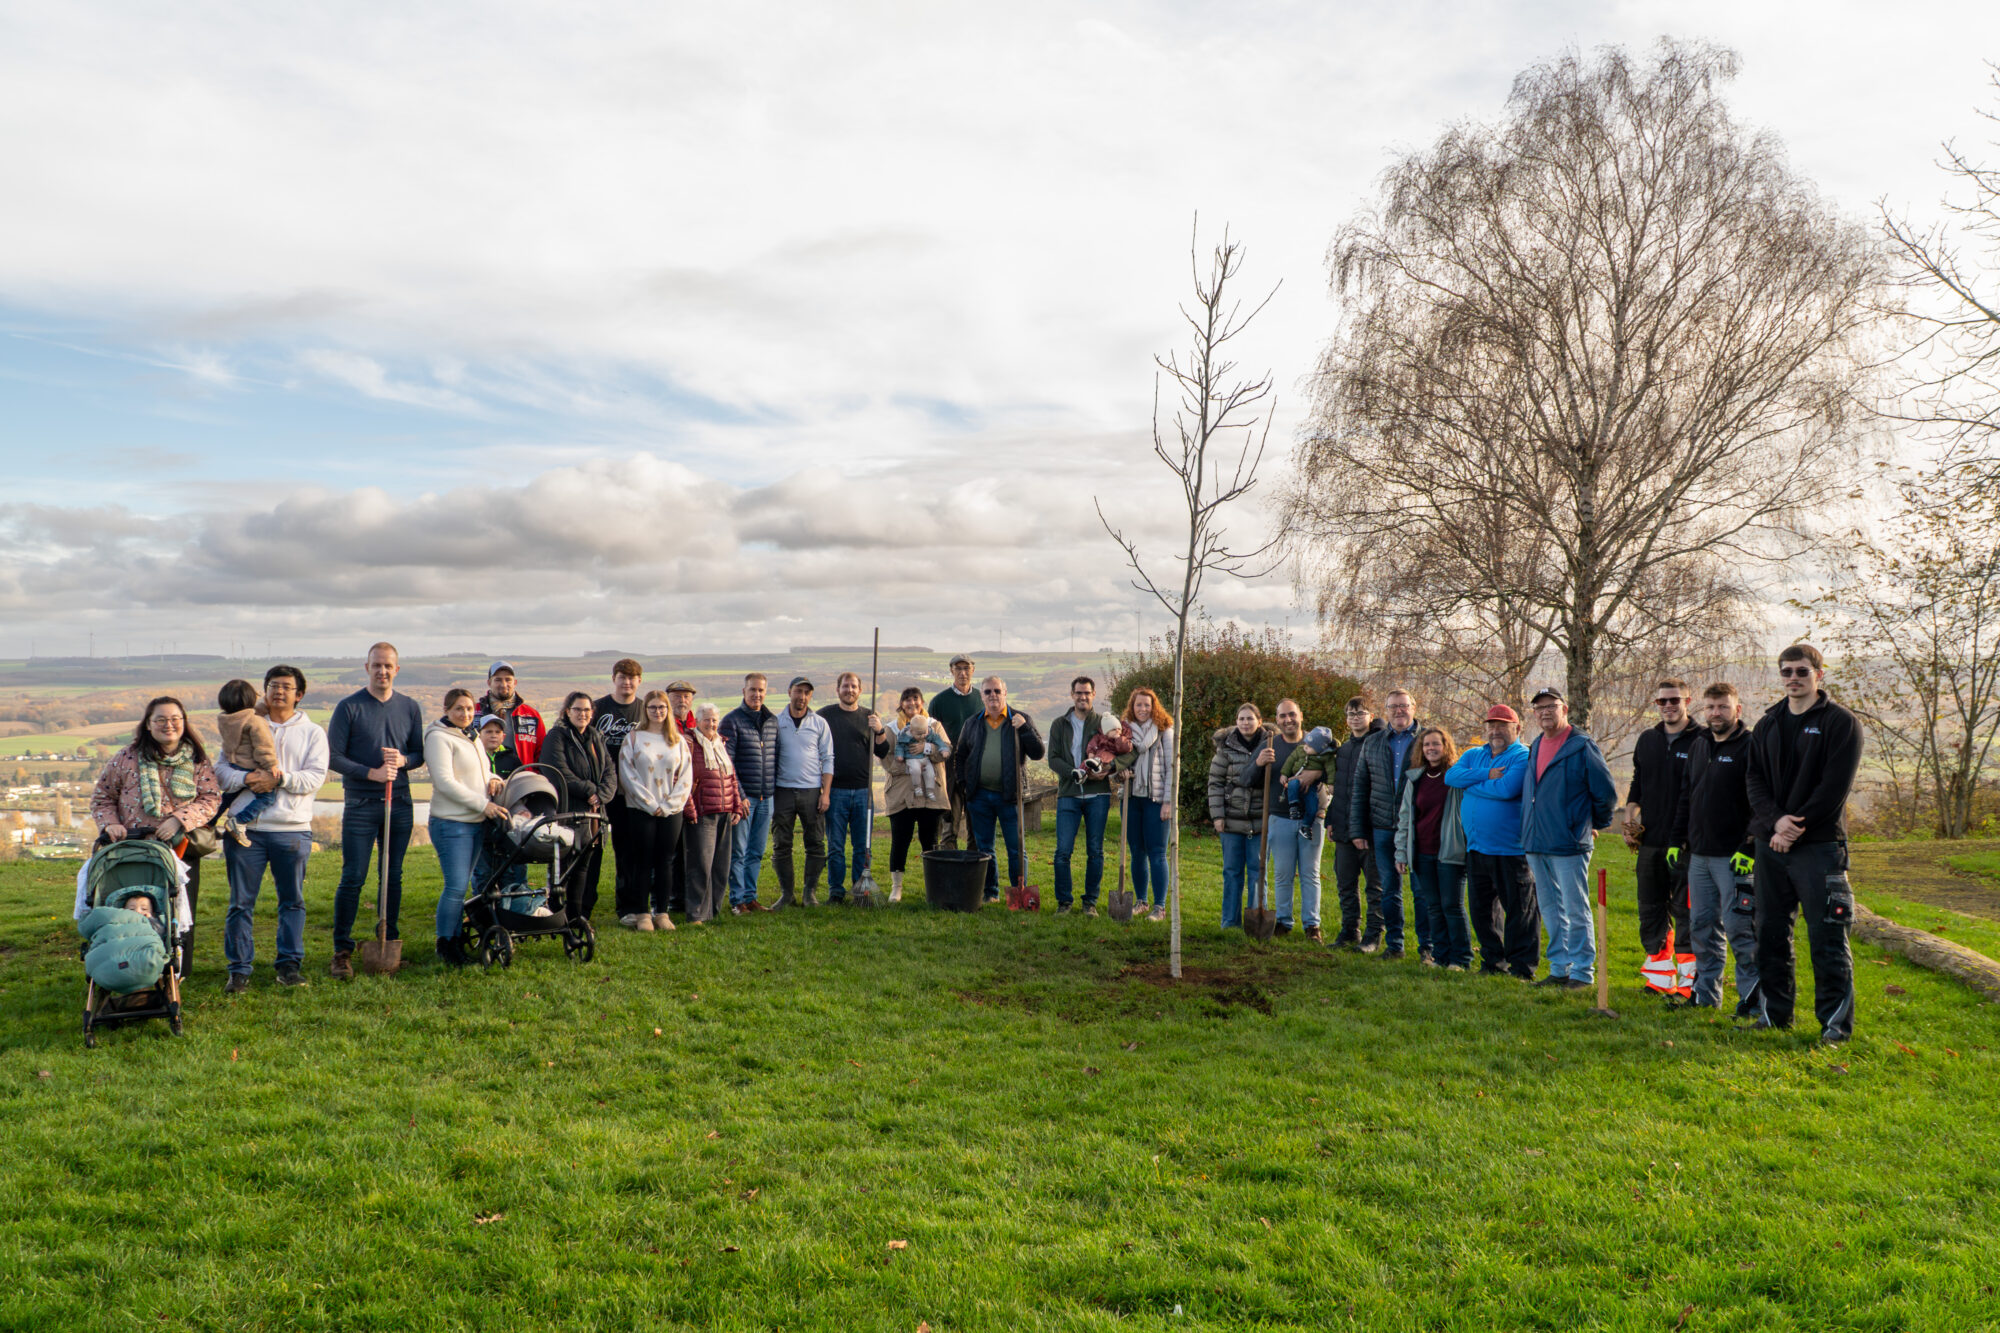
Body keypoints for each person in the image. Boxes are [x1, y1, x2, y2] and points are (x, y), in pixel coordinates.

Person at [1745, 644, 1864, 1044]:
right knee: (1770, 935)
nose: (1793, 679)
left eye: (1801, 671)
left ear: (1819, 674)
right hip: (1771, 846)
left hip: (1818, 847)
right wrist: (1775, 822)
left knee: (1828, 938)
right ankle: (1774, 1016)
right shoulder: (1768, 724)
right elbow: (1754, 782)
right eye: (1786, 672)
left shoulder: (1840, 723)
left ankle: (1834, 1026)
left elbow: (1834, 788)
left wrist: (1794, 827)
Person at [214, 665, 328, 990]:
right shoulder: (244, 723)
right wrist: (248, 778)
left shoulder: (313, 733)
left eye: (286, 687)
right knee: (240, 902)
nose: (278, 691)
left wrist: (279, 778)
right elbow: (220, 770)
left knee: (292, 900)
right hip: (244, 830)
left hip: (291, 829)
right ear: (263, 690)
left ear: (299, 695)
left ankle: (289, 967)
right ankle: (239, 970)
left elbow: (316, 777)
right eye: (273, 686)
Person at [91, 696, 223, 973]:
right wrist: (110, 824)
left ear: (184, 723)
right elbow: (102, 797)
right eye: (160, 719)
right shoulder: (126, 758)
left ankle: (176, 972)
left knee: (179, 912)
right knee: (134, 908)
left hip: (178, 850)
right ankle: (128, 965)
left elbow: (211, 798)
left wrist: (179, 820)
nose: (169, 725)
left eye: (175, 719)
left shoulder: (197, 760)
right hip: (132, 851)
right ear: (148, 725)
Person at [324, 643, 426, 980]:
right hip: (361, 804)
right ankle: (342, 951)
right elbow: (334, 756)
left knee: (392, 875)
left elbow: (418, 753)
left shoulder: (409, 707)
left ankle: (388, 940)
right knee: (353, 876)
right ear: (366, 667)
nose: (382, 671)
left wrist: (403, 761)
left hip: (399, 803)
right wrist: (372, 773)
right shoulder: (349, 707)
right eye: (377, 665)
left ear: (397, 670)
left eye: (388, 666)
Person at [1670, 682, 1761, 1015]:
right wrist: (1676, 838)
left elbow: (1760, 802)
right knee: (1702, 928)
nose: (1715, 713)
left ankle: (1753, 1002)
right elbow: (1686, 795)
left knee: (1741, 930)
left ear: (1737, 710)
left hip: (1734, 858)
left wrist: (1748, 847)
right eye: (1709, 707)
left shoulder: (1750, 747)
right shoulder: (1699, 745)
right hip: (1699, 856)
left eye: (1722, 707)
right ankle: (1706, 996)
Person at [1519, 686, 1618, 989]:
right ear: (1534, 714)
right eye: (1539, 707)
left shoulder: (1580, 745)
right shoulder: (1536, 745)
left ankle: (1582, 972)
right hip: (1537, 842)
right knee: (1550, 909)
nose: (1545, 711)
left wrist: (1591, 823)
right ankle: (1560, 967)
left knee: (1575, 909)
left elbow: (1605, 793)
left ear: (1564, 709)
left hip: (1568, 842)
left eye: (1551, 705)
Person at [1445, 705, 1539, 979]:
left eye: (1502, 725)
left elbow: (1508, 789)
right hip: (1477, 848)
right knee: (1483, 911)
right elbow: (1451, 777)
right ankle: (1493, 963)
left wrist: (1471, 783)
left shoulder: (1522, 755)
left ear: (1517, 729)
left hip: (1510, 850)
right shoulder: (1474, 754)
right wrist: (1486, 775)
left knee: (1520, 911)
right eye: (1491, 725)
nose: (1495, 731)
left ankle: (1522, 968)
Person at [423, 688, 509, 966]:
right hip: (452, 823)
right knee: (456, 887)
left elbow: (480, 773)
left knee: (463, 885)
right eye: (459, 708)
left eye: (470, 709)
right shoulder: (439, 738)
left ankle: (456, 938)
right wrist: (484, 805)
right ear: (447, 709)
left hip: (473, 822)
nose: (465, 714)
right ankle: (446, 944)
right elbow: (446, 782)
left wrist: (494, 778)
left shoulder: (470, 736)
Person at [950, 676, 1045, 902]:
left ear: (1005, 693)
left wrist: (1024, 729)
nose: (993, 695)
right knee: (985, 849)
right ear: (981, 696)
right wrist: (965, 785)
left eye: (997, 691)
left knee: (1016, 849)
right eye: (988, 692)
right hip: (979, 796)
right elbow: (960, 756)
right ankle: (990, 892)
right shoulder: (972, 723)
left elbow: (1038, 752)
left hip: (1010, 796)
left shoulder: (1020, 719)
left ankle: (1019, 895)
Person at [1347, 689, 1424, 958]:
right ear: (1386, 710)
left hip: (1418, 828)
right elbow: (1360, 787)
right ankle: (1394, 945)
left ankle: (1427, 948)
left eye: (1404, 706)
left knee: (1421, 890)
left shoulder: (1427, 740)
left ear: (1414, 707)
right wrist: (1357, 828)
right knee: (1388, 890)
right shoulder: (1374, 742)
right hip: (1381, 827)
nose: (1399, 711)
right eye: (1393, 707)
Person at [1624, 679, 1697, 965]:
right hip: (1651, 842)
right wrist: (1630, 820)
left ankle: (1690, 980)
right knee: (1651, 908)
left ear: (1687, 702)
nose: (1668, 706)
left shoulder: (1701, 739)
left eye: (1674, 700)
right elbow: (1637, 784)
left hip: (1687, 844)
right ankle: (1659, 976)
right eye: (1662, 701)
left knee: (1686, 911)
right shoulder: (1647, 739)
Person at [1046, 676, 1125, 917]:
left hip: (1097, 795)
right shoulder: (1059, 724)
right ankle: (1064, 902)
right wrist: (1073, 772)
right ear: (1072, 695)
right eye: (1079, 693)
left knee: (1095, 850)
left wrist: (1110, 770)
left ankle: (1090, 902)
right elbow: (1053, 758)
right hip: (1069, 794)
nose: (1083, 697)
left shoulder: (1104, 723)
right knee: (1062, 852)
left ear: (1093, 695)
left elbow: (1122, 748)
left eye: (1087, 693)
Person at [1395, 726, 1471, 970]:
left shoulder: (1456, 777)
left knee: (1452, 906)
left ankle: (1461, 958)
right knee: (1434, 908)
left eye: (1436, 744)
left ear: (1445, 746)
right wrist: (1401, 852)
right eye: (1426, 745)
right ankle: (1440, 956)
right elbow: (1405, 817)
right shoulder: (1415, 779)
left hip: (1451, 851)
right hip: (1422, 852)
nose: (1431, 749)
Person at [618, 690, 692, 932]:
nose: (658, 711)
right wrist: (651, 804)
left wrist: (669, 805)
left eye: (662, 707)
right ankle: (642, 914)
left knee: (665, 862)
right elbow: (627, 775)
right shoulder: (633, 739)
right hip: (641, 808)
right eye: (653, 707)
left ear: (667, 710)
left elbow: (686, 777)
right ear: (645, 709)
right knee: (642, 861)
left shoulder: (677, 741)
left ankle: (662, 912)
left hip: (671, 810)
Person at [542, 691, 618, 921]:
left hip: (593, 813)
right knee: (564, 866)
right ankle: (554, 910)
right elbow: (557, 771)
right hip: (568, 811)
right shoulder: (557, 736)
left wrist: (602, 794)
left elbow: (610, 771)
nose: (583, 714)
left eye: (587, 710)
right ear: (568, 711)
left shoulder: (595, 736)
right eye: (578, 709)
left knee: (583, 866)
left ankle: (576, 917)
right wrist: (590, 790)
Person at [1258, 701, 1327, 941]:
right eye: (1283, 716)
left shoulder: (1316, 742)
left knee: (1310, 873)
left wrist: (1318, 774)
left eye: (1292, 715)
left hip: (1311, 819)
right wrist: (1258, 763)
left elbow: (1335, 768)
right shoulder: (1270, 745)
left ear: (1301, 716)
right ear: (1276, 720)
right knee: (1282, 874)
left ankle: (1312, 925)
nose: (1288, 720)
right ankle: (1284, 921)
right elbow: (1250, 777)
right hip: (1279, 818)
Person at [820, 671, 889, 904]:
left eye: (853, 686)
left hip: (862, 791)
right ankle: (836, 892)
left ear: (860, 691)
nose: (849, 690)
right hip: (836, 791)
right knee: (836, 846)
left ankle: (860, 891)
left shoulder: (870, 717)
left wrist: (879, 730)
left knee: (862, 846)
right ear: (837, 689)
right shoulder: (825, 716)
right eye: (845, 686)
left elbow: (882, 750)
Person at [881, 687, 952, 902]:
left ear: (922, 702)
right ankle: (896, 887)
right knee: (900, 840)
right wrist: (912, 766)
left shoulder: (934, 726)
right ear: (901, 704)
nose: (912, 704)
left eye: (915, 700)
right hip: (901, 794)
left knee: (930, 840)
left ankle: (935, 885)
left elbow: (945, 751)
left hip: (932, 794)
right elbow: (887, 761)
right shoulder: (892, 730)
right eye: (907, 700)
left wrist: (927, 749)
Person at [592, 659, 648, 931]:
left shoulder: (644, 710)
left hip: (630, 791)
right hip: (600, 790)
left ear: (640, 681)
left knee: (628, 851)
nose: (627, 682)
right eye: (622, 677)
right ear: (613, 678)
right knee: (590, 848)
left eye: (632, 678)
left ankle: (627, 907)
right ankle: (580, 905)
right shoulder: (598, 708)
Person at [772, 676, 835, 909]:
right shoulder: (776, 722)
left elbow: (828, 759)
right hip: (782, 790)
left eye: (807, 693)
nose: (802, 697)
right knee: (781, 843)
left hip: (811, 791)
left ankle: (810, 893)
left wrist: (825, 793)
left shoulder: (819, 723)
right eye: (798, 691)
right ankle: (786, 894)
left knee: (816, 842)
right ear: (790, 692)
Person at [1208, 703, 1272, 931]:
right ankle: (1230, 922)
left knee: (1258, 873)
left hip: (1260, 820)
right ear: (1236, 721)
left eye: (1250, 719)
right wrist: (1217, 816)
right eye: (1241, 719)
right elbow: (1215, 783)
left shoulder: (1271, 745)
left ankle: (1256, 922)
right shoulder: (1225, 748)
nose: (1245, 723)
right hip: (1232, 819)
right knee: (1232, 872)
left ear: (1259, 721)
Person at [720, 674, 780, 912]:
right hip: (745, 799)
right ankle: (737, 901)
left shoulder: (772, 721)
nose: (757, 694)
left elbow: (775, 759)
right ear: (743, 691)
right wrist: (740, 796)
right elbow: (728, 764)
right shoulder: (731, 721)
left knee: (756, 851)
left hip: (767, 798)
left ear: (766, 692)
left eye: (761, 690)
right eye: (752, 690)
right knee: (739, 852)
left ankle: (750, 897)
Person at [1330, 697, 1384, 949]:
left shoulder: (1378, 745)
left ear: (1371, 715)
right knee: (1345, 884)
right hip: (1342, 828)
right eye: (1350, 713)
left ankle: (1374, 935)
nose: (1354, 718)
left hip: (1370, 829)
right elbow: (1339, 789)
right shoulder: (1344, 749)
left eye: (1360, 713)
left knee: (1374, 887)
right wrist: (1331, 819)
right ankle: (1350, 931)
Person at [686, 702, 748, 922]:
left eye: (714, 720)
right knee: (701, 866)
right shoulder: (690, 743)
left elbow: (731, 777)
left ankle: (712, 911)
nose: (711, 724)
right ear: (698, 721)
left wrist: (737, 807)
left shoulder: (721, 743)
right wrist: (690, 810)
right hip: (702, 813)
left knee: (720, 866)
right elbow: (685, 779)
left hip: (725, 812)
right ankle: (696, 914)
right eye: (707, 719)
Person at [1121, 687, 1176, 922]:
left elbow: (1172, 768)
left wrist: (1168, 802)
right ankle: (1141, 902)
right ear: (1132, 708)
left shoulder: (1165, 731)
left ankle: (1159, 907)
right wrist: (1120, 772)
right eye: (1138, 705)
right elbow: (1116, 761)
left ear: (1154, 707)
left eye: (1147, 705)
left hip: (1156, 801)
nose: (1142, 709)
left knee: (1157, 853)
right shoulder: (1124, 732)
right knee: (1137, 852)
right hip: (1132, 799)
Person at [212, 679, 279, 845]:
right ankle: (239, 822)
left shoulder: (226, 719)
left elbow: (246, 714)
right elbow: (263, 745)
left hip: (235, 764)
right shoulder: (256, 722)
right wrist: (271, 765)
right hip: (251, 766)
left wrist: (263, 707)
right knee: (267, 798)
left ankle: (208, 822)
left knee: (228, 797)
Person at [930, 655, 983, 849]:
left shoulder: (982, 698)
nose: (963, 673)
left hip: (976, 770)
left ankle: (973, 873)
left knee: (976, 827)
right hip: (949, 770)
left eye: (966, 668)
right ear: (951, 671)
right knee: (949, 826)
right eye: (958, 668)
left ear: (973, 670)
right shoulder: (940, 701)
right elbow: (931, 735)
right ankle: (948, 872)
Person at [663, 680, 700, 915]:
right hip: (671, 796)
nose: (682, 700)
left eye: (686, 696)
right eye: (677, 696)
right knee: (670, 852)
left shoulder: (697, 725)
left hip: (696, 796)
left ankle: (686, 895)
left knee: (690, 850)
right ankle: (670, 899)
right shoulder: (664, 727)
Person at [476, 661, 545, 766]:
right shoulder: (473, 712)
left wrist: (533, 773)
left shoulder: (531, 715)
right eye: (498, 680)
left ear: (515, 682)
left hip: (522, 777)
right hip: (482, 777)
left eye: (508, 680)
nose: (503, 685)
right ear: (489, 683)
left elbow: (542, 751)